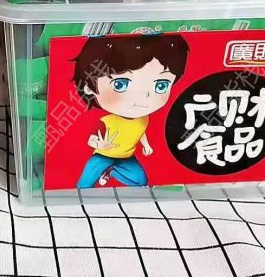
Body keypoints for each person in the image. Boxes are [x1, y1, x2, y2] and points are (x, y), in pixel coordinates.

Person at [73, 34, 189, 188]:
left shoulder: (144, 118)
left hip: (126, 156)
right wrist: (100, 145)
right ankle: (104, 170)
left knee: (141, 181)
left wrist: (146, 145)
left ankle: (111, 171)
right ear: (89, 88)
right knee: (84, 185)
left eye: (161, 85)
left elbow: (140, 131)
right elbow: (92, 139)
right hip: (103, 155)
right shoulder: (107, 121)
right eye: (120, 84)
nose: (144, 97)